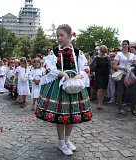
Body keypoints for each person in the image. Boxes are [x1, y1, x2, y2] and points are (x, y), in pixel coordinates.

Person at [36, 24, 92, 156]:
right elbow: (48, 66)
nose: (59, 38)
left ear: (69, 35)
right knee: (61, 115)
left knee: (72, 114)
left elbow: (85, 66)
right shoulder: (54, 52)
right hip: (59, 84)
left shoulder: (78, 52)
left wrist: (80, 75)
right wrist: (61, 74)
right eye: (57, 35)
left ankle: (67, 140)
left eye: (61, 35)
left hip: (74, 84)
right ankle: (61, 142)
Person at [113, 40, 136, 115]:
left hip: (130, 75)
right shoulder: (119, 54)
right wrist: (123, 69)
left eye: (125, 44)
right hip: (122, 75)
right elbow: (114, 66)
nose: (124, 46)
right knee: (121, 92)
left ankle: (133, 109)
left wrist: (132, 67)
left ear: (128, 45)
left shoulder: (132, 55)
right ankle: (120, 108)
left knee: (132, 92)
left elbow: (135, 64)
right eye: (123, 44)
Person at [90, 45, 111, 110]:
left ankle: (101, 103)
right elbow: (92, 66)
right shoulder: (96, 58)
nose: (103, 53)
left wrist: (112, 74)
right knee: (100, 89)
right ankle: (99, 104)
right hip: (98, 74)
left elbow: (109, 67)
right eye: (102, 51)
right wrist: (93, 73)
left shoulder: (108, 58)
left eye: (104, 51)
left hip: (106, 74)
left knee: (104, 89)